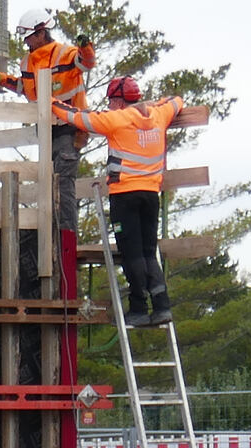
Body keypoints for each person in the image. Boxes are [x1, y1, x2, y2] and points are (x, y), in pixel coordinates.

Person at [51, 76, 211, 326]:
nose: (110, 105)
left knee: (131, 253)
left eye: (111, 101)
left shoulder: (116, 119)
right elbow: (175, 100)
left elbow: (76, 116)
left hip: (124, 196)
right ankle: (161, 306)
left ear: (117, 100)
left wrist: (49, 101)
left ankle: (138, 309)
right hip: (150, 195)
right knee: (149, 252)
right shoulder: (158, 115)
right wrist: (153, 104)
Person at [0, 18, 98, 205]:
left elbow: (87, 63)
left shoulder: (66, 53)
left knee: (63, 186)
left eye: (28, 37)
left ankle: (66, 233)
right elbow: (24, 86)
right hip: (46, 131)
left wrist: (86, 48)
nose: (25, 42)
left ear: (41, 33)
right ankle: (54, 232)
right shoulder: (28, 62)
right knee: (48, 185)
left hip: (70, 128)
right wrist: (3, 80)